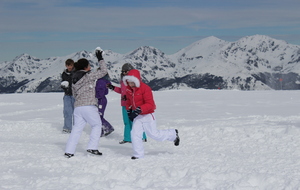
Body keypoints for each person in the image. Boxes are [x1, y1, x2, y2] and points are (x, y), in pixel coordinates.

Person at [122, 69, 180, 159]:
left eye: (133, 82)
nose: (131, 84)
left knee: (154, 134)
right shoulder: (129, 90)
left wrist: (138, 110)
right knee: (134, 134)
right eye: (129, 82)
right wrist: (129, 110)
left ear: (137, 80)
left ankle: (173, 134)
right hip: (138, 116)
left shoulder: (145, 89)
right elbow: (129, 101)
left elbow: (150, 104)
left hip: (148, 114)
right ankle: (138, 155)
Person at [64, 49, 107, 158]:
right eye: (89, 65)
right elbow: (104, 71)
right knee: (97, 125)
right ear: (85, 67)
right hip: (89, 105)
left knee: (77, 129)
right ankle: (92, 147)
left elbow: (74, 93)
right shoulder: (88, 76)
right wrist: (100, 59)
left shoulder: (73, 78)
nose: (90, 67)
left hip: (78, 107)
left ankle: (69, 151)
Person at [107, 63, 147, 144]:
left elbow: (136, 91)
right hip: (124, 104)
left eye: (126, 71)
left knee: (135, 121)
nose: (124, 73)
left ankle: (142, 137)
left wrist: (129, 97)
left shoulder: (135, 81)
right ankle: (127, 138)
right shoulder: (123, 81)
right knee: (126, 121)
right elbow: (122, 91)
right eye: (123, 71)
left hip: (133, 104)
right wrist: (114, 88)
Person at [61, 59, 75, 133]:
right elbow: (62, 82)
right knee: (67, 111)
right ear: (66, 65)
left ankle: (77, 127)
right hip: (67, 95)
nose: (69, 67)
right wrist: (63, 86)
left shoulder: (76, 73)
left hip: (75, 95)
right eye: (68, 65)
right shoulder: (64, 74)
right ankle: (67, 127)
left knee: (76, 112)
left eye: (71, 65)